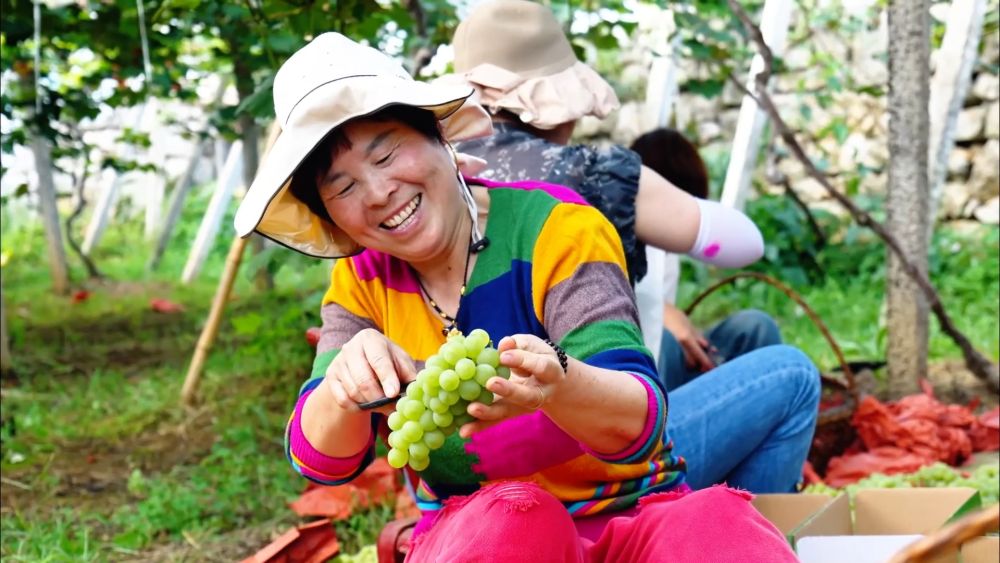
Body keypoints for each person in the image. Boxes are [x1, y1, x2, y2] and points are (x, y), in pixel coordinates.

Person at [235, 32, 797, 561]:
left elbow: (638, 422)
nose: (379, 193)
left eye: (385, 156)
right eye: (343, 187)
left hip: (627, 518)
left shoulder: (559, 229)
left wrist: (561, 386)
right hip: (484, 535)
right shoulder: (363, 279)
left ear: (440, 139)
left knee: (715, 524)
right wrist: (339, 389)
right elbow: (320, 461)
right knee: (513, 518)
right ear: (331, 215)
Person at [444, 0, 819, 494]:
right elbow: (743, 243)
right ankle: (738, 523)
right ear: (562, 102)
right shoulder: (588, 174)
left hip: (463, 462)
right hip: (591, 456)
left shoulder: (429, 182)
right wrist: (647, 192)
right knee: (792, 373)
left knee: (744, 330)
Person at [630, 128, 783, 392]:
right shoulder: (611, 228)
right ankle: (665, 418)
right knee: (663, 341)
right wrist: (659, 312)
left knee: (755, 327)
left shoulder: (668, 250)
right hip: (634, 375)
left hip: (670, 365)